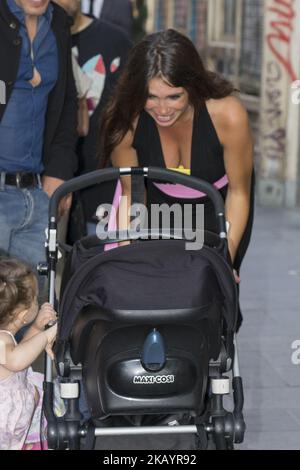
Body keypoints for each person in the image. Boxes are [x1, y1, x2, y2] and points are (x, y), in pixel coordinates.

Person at [100, 29, 255, 328]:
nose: (162, 109)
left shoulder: (228, 115)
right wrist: (123, 259)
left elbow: (240, 194)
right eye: (151, 97)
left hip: (219, 207)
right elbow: (131, 195)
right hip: (159, 207)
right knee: (157, 297)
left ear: (193, 87)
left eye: (174, 96)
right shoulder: (125, 122)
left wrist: (225, 259)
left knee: (211, 298)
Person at [0, 0, 78, 283]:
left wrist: (60, 170)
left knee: (31, 311)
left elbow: (67, 104)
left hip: (37, 195)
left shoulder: (58, 23)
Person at [54, 0, 132, 240]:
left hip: (103, 189)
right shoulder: (36, 44)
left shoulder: (115, 41)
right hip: (49, 185)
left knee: (97, 270)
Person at [0, 257, 58, 450]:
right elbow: (16, 361)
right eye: (34, 299)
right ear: (22, 314)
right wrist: (49, 334)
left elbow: (19, 354)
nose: (37, 302)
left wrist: (37, 327)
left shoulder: (5, 337)